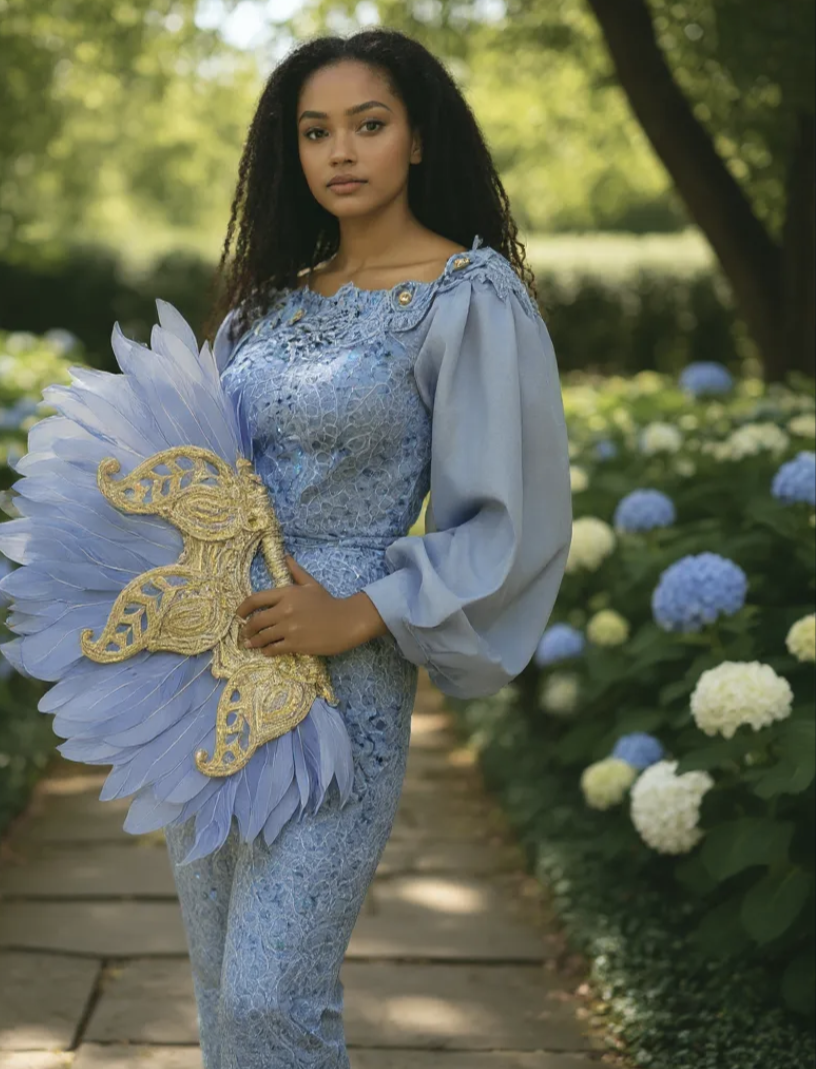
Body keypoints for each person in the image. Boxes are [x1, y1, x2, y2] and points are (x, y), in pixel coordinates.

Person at [159, 25, 574, 1069]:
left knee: (270, 994)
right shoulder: (264, 301)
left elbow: (509, 518)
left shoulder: (466, 297)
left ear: (419, 139)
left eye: (368, 125)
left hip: (348, 675)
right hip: (215, 662)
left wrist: (357, 612)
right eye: (314, 131)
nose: (340, 151)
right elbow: (212, 469)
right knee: (221, 991)